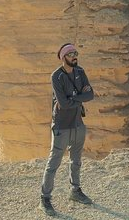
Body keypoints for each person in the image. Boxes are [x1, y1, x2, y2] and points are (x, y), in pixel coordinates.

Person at [39, 43, 94, 216]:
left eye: (76, 53)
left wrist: (73, 98)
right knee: (53, 164)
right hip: (62, 126)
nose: (74, 56)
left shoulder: (80, 72)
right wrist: (79, 97)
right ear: (63, 57)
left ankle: (75, 191)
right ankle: (45, 199)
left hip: (78, 124)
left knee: (76, 160)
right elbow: (62, 103)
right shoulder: (56, 76)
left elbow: (90, 95)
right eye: (71, 54)